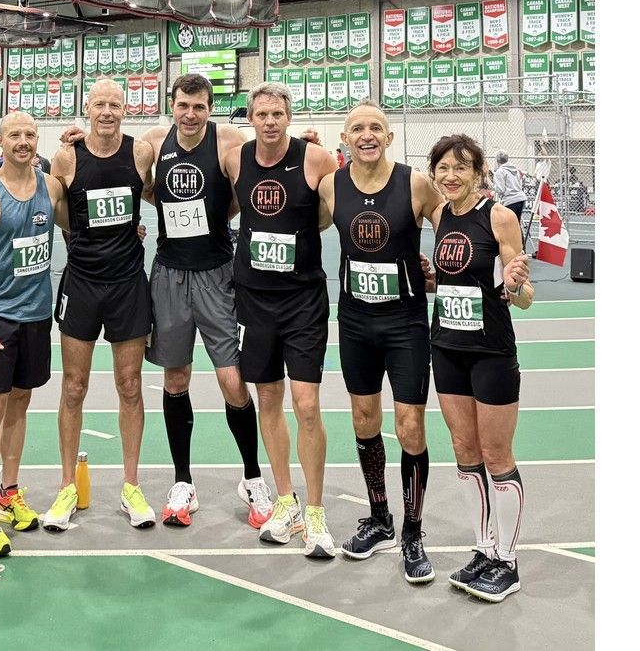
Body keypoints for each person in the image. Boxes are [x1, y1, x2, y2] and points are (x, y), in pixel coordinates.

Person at [63, 74, 273, 528]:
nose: (191, 114)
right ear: (171, 105)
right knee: (175, 378)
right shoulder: (153, 143)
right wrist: (82, 138)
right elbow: (127, 177)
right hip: (169, 273)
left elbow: (251, 180)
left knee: (232, 380)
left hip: (216, 273)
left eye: (199, 106)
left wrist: (217, 217)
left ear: (210, 107)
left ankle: (253, 478)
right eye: (183, 105)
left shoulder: (229, 139)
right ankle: (183, 482)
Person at [315, 99, 444, 583]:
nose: (366, 135)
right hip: (354, 322)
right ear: (344, 140)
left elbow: (452, 229)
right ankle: (380, 517)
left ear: (389, 137)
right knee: (364, 419)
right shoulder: (332, 185)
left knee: (410, 426)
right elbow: (298, 225)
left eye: (376, 128)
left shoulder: (415, 183)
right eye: (356, 129)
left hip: (405, 324)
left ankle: (412, 531)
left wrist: (443, 271)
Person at [222, 81, 338, 556]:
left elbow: (334, 214)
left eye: (277, 114)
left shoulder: (316, 159)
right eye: (261, 114)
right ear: (250, 118)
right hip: (253, 299)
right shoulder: (236, 159)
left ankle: (315, 510)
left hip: (303, 299)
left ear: (289, 117)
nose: (269, 122)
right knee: (267, 397)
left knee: (306, 405)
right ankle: (285, 500)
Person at [40, 78, 156, 531]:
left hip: (128, 284)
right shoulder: (66, 156)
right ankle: (67, 485)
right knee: (74, 387)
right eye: (100, 104)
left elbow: (147, 195)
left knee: (130, 386)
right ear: (87, 109)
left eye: (115, 105)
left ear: (125, 111)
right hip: (82, 284)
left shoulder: (141, 152)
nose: (107, 111)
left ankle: (131, 486)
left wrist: (135, 228)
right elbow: (59, 212)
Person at [426, 134, 533, 602]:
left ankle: (507, 562)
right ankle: (483, 548)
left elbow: (524, 298)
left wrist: (515, 284)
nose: (451, 176)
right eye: (443, 168)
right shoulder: (442, 216)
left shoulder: (499, 216)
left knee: (496, 456)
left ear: (478, 172)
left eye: (461, 168)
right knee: (464, 450)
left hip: (490, 352)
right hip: (446, 347)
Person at [0, 111, 67, 557]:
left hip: (37, 316)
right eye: (15, 136)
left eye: (29, 134)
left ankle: (9, 490)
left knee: (21, 402)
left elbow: (80, 215)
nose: (23, 142)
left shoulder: (51, 186)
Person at [491, 151, 526, 222]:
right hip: (520, 198)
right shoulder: (515, 170)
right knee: (516, 223)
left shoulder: (500, 171)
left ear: (497, 160)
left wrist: (491, 185)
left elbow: (500, 189)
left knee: (509, 225)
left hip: (510, 200)